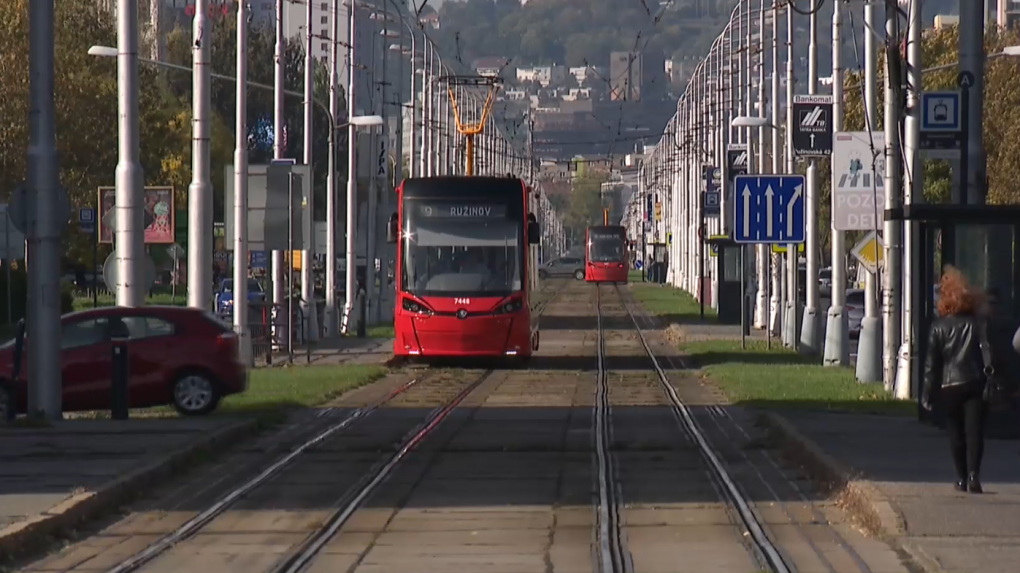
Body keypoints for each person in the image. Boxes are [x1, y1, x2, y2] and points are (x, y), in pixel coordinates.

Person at [922, 267, 993, 493]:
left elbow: (931, 366)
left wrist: (926, 394)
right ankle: (974, 476)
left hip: (949, 385)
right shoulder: (977, 324)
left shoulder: (938, 328)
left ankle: (961, 478)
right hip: (974, 382)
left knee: (955, 432)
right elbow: (988, 353)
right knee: (974, 432)